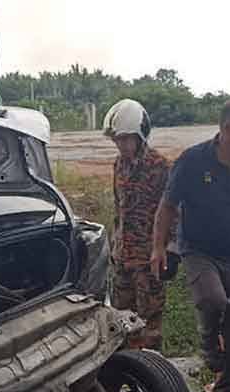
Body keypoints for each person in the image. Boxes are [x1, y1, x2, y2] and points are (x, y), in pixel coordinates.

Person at [151, 98, 230, 392]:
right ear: (227, 129)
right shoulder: (192, 161)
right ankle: (207, 345)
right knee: (213, 299)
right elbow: (168, 206)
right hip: (199, 250)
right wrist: (159, 247)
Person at [102, 99, 170, 350]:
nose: (120, 145)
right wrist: (113, 246)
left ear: (139, 136)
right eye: (117, 140)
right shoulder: (118, 165)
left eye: (125, 139)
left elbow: (171, 212)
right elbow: (119, 209)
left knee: (149, 327)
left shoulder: (159, 166)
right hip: (123, 260)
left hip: (148, 261)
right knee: (122, 324)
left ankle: (153, 376)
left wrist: (165, 250)